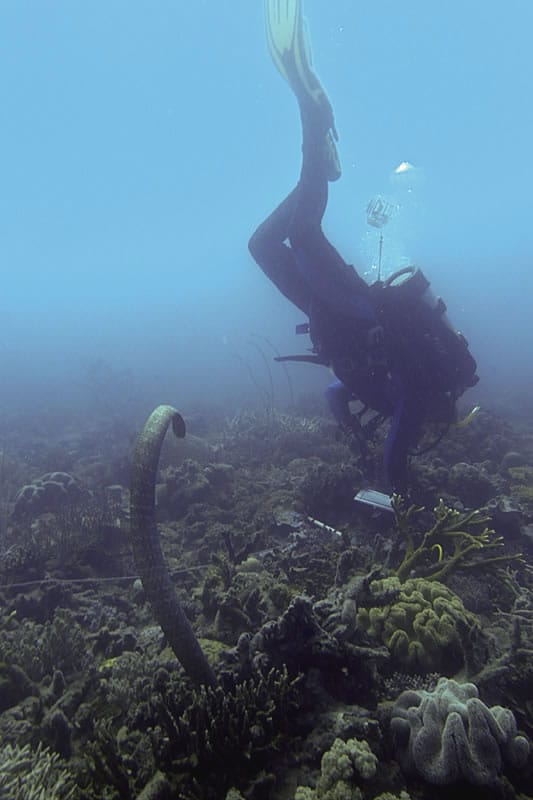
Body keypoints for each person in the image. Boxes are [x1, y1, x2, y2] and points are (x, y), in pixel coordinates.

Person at [249, 0, 478, 496]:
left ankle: (317, 170)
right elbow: (395, 454)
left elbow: (337, 390)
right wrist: (390, 483)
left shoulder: (393, 393)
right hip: (349, 308)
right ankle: (317, 120)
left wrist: (354, 433)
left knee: (263, 244)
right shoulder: (414, 399)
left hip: (329, 315)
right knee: (304, 236)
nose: (424, 428)